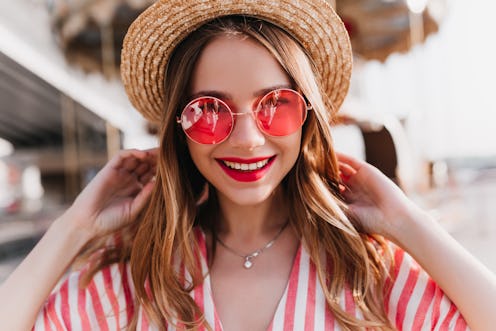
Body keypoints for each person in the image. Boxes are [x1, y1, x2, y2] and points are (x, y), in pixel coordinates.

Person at [1, 0, 495, 330]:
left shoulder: (367, 271)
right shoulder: (137, 281)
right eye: (209, 109)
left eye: (275, 103)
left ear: (307, 116)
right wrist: (75, 226)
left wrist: (408, 224)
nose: (246, 139)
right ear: (178, 126)